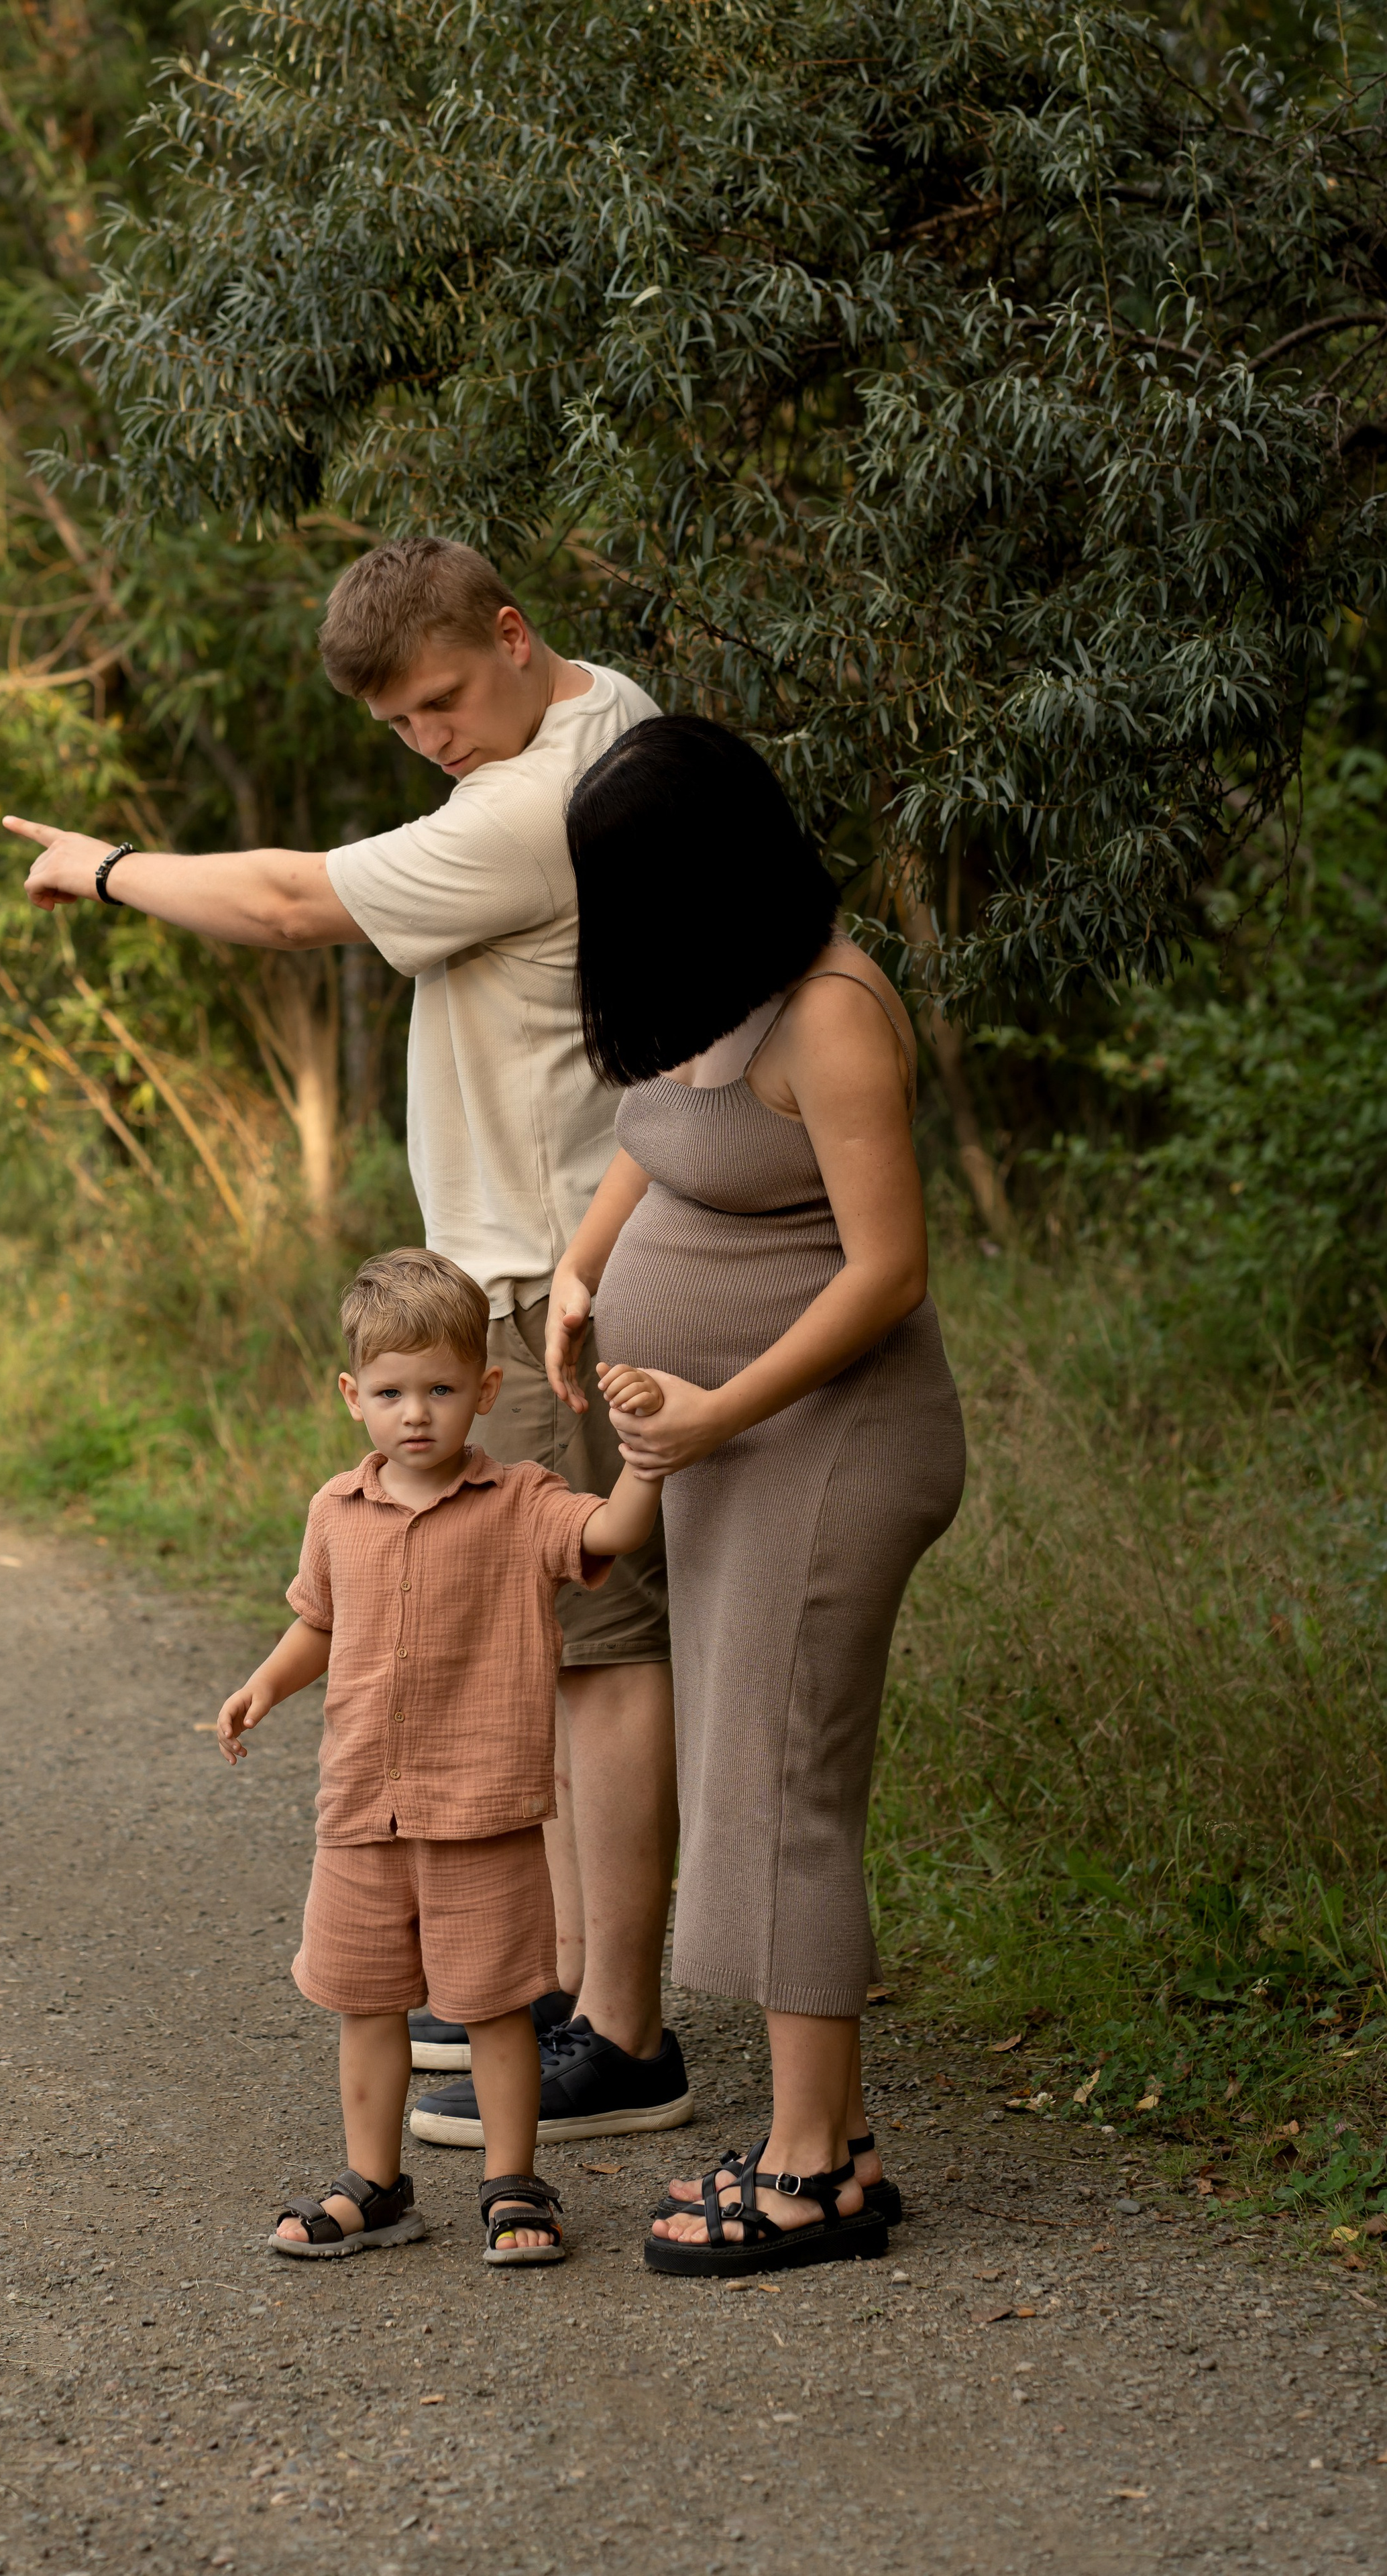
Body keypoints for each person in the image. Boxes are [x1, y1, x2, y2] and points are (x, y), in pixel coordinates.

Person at [9, 537, 690, 2145]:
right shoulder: (608, 719)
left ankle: (624, 2036)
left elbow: (288, 900)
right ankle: (554, 1987)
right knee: (571, 1654)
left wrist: (106, 868)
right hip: (533, 1255)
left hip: (543, 1275)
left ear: (513, 640)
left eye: (444, 702)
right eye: (401, 727)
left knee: (596, 1656)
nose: (433, 740)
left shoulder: (537, 809)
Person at [545, 714, 967, 2277]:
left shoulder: (832, 1012)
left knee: (784, 1784)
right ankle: (830, 2142)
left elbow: (887, 1270)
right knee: (747, 1764)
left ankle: (809, 2176)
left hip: (830, 1442)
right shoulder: (715, 990)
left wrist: (718, 1407)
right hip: (724, 1448)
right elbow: (653, 1139)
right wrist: (583, 1270)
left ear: (710, 872)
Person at [216, 1247, 663, 2263]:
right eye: (390, 1392)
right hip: (363, 1809)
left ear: (486, 1390)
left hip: (483, 1812)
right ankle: (372, 2186)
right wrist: (267, 1685)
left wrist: (644, 1451)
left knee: (496, 2007)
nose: (416, 1413)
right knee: (365, 2001)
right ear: (353, 1397)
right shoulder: (337, 1512)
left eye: (442, 1389)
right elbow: (318, 1627)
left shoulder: (524, 1503)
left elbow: (617, 1530)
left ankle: (513, 2186)